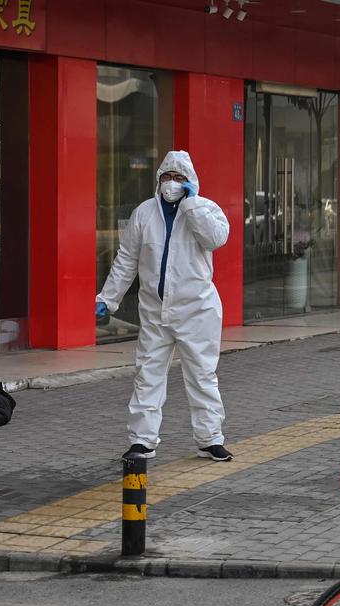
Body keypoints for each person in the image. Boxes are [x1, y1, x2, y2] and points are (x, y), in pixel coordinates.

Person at [96, 150, 232, 462]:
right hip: (155, 311)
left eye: (179, 178)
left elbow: (216, 239)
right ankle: (142, 440)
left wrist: (192, 205)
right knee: (148, 375)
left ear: (191, 182)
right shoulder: (144, 213)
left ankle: (210, 439)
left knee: (202, 375)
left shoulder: (205, 208)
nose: (172, 183)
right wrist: (108, 298)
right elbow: (127, 259)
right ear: (158, 181)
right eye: (167, 177)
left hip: (198, 310)